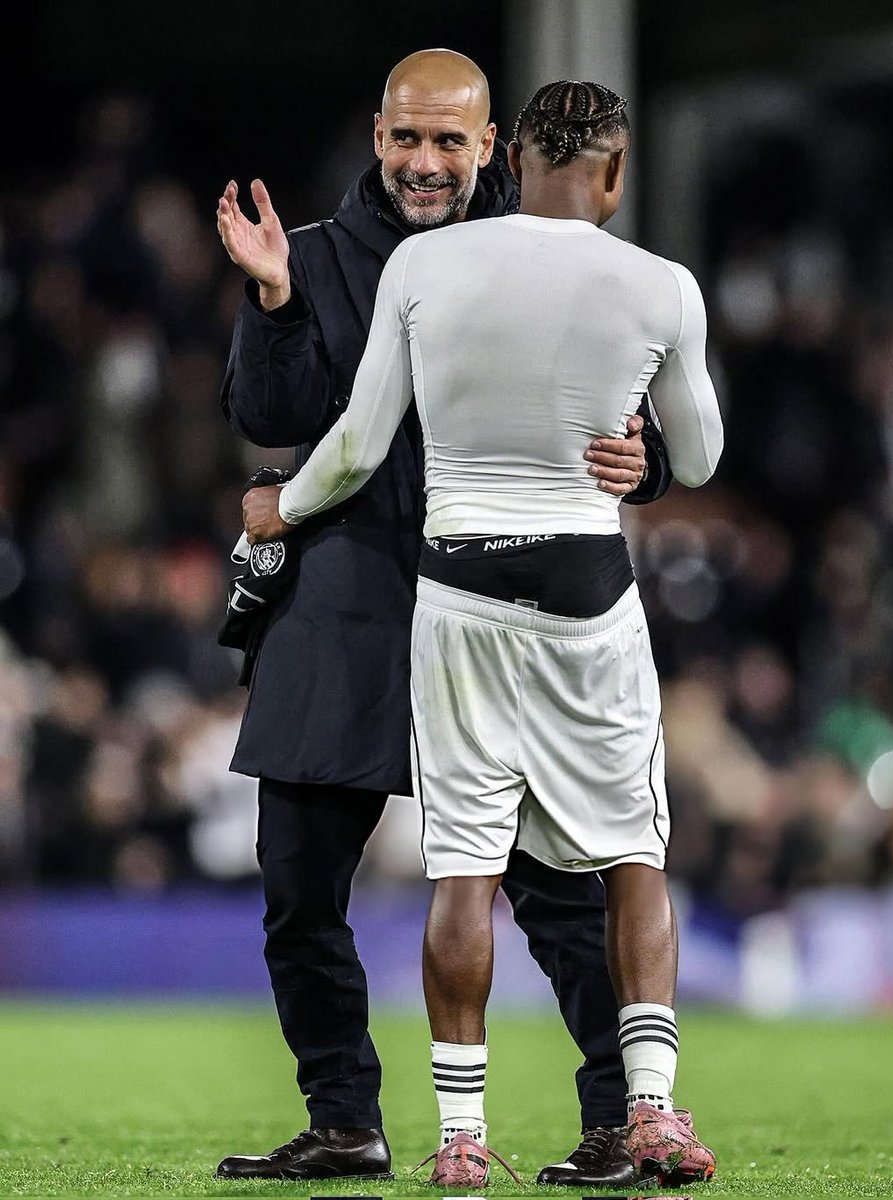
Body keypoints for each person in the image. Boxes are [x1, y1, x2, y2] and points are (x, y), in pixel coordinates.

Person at [241, 78, 724, 1189]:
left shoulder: (427, 267)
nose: (421, 158)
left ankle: (467, 1137)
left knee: (473, 873)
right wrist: (643, 454)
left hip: (452, 597)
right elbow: (695, 459)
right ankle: (644, 1111)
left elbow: (358, 444)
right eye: (404, 136)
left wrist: (282, 505)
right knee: (625, 851)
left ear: (506, 152)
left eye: (442, 139)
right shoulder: (659, 286)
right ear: (612, 170)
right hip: (555, 600)